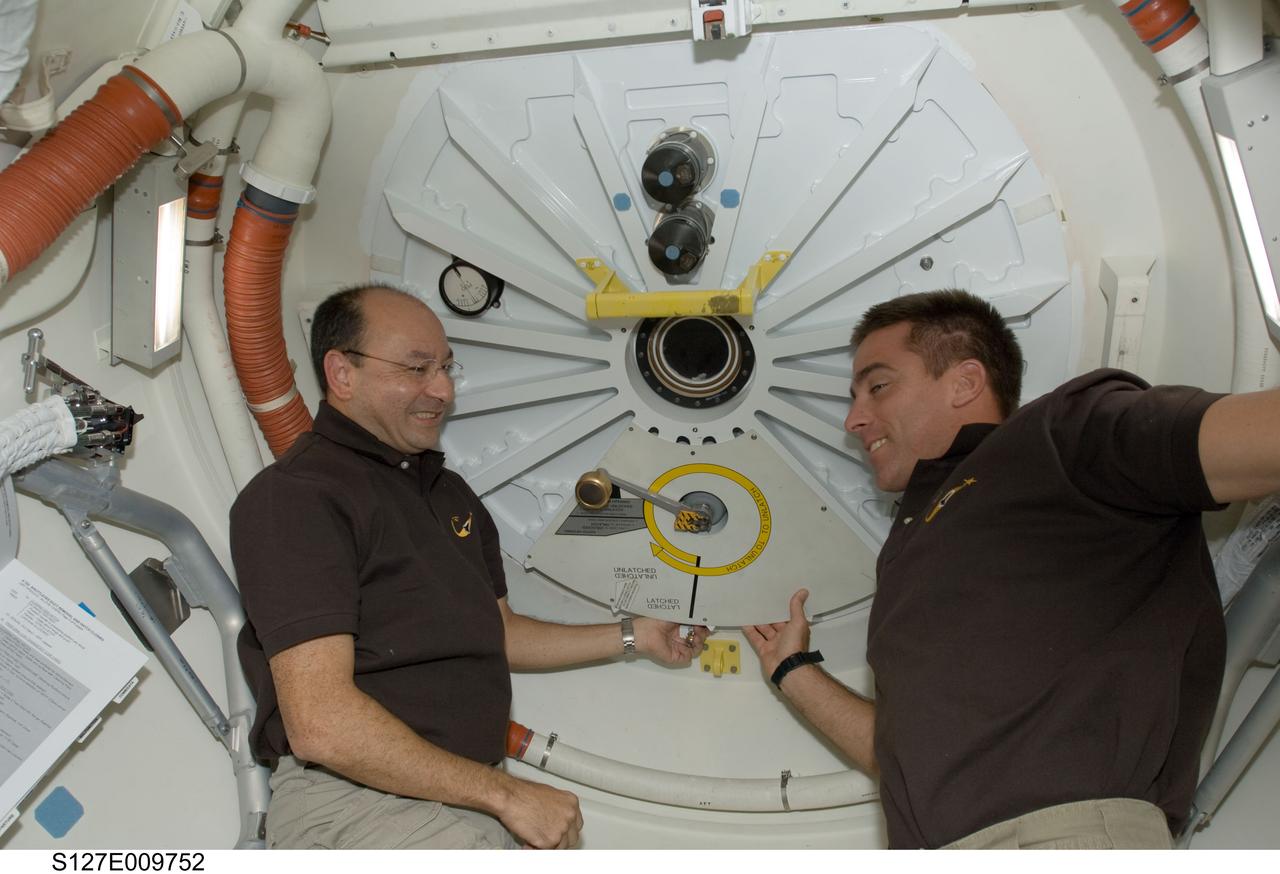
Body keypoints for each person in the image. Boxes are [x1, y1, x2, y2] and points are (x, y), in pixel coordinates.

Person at [745, 289, 1280, 849]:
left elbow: (1238, 440)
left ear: (966, 382)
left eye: (878, 386)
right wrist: (793, 670)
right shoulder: (911, 549)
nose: (854, 418)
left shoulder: (1060, 436)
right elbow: (904, 755)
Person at [232, 284, 708, 850]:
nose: (442, 390)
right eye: (417, 368)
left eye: (446, 367)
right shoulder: (299, 497)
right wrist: (506, 797)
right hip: (359, 804)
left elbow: (500, 632)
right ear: (342, 374)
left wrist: (635, 635)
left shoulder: (446, 494)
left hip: (459, 794)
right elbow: (321, 722)